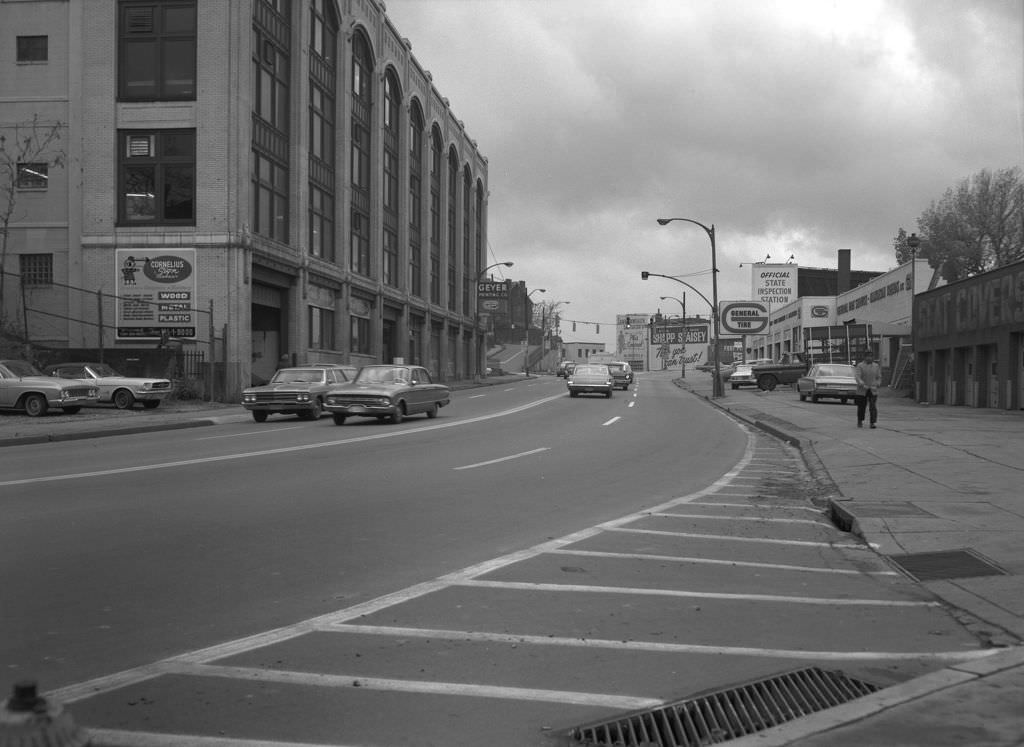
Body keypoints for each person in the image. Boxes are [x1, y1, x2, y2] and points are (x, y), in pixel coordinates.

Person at [854, 350, 883, 428]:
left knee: (873, 406)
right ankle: (860, 420)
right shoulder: (860, 366)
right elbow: (857, 377)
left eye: (871, 356)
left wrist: (878, 383)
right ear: (865, 357)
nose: (870, 358)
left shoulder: (876, 366)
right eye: (868, 356)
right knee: (861, 406)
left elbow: (879, 377)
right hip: (862, 390)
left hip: (873, 389)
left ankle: (872, 422)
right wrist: (862, 384)